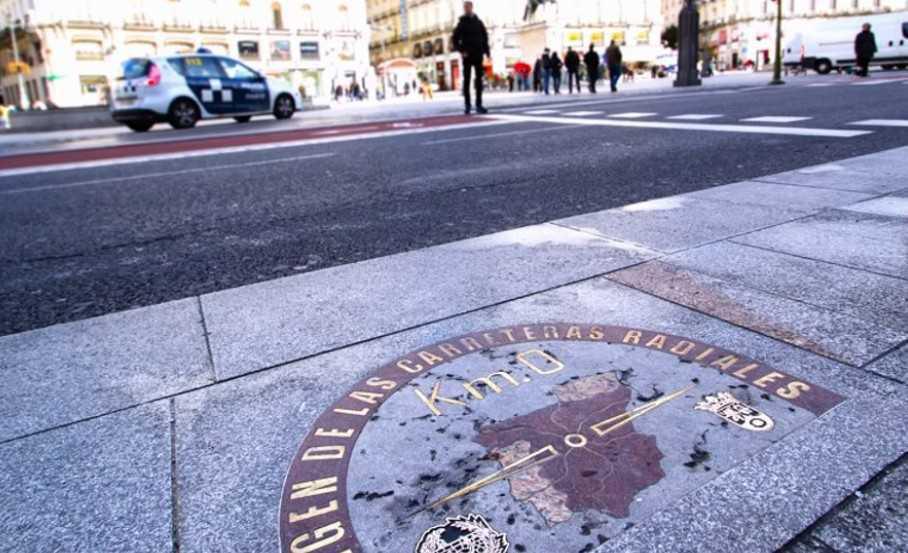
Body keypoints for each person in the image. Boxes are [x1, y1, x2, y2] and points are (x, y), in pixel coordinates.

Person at [452, 1, 490, 114]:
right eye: (465, 7)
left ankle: (479, 104)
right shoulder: (461, 23)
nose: (466, 9)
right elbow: (454, 39)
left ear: (472, 7)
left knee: (479, 81)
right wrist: (461, 50)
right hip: (467, 55)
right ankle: (467, 105)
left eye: (468, 7)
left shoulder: (478, 22)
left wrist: (487, 52)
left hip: (478, 54)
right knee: (467, 81)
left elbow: (485, 37)